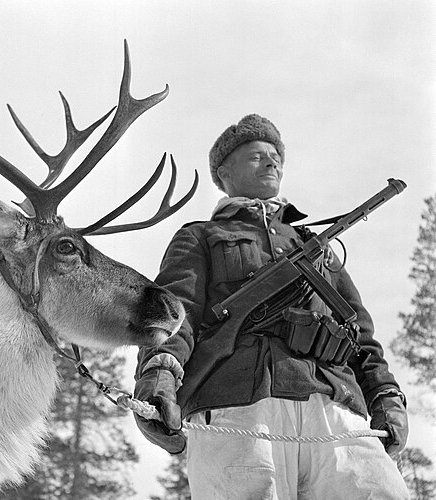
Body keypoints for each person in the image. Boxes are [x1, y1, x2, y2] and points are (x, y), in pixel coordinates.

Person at [133, 114, 409, 499]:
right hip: (238, 407)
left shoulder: (317, 247)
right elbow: (177, 314)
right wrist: (159, 375)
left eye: (276, 156)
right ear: (224, 172)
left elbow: (359, 334)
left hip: (333, 406)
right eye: (255, 156)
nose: (271, 162)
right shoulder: (201, 236)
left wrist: (386, 396)